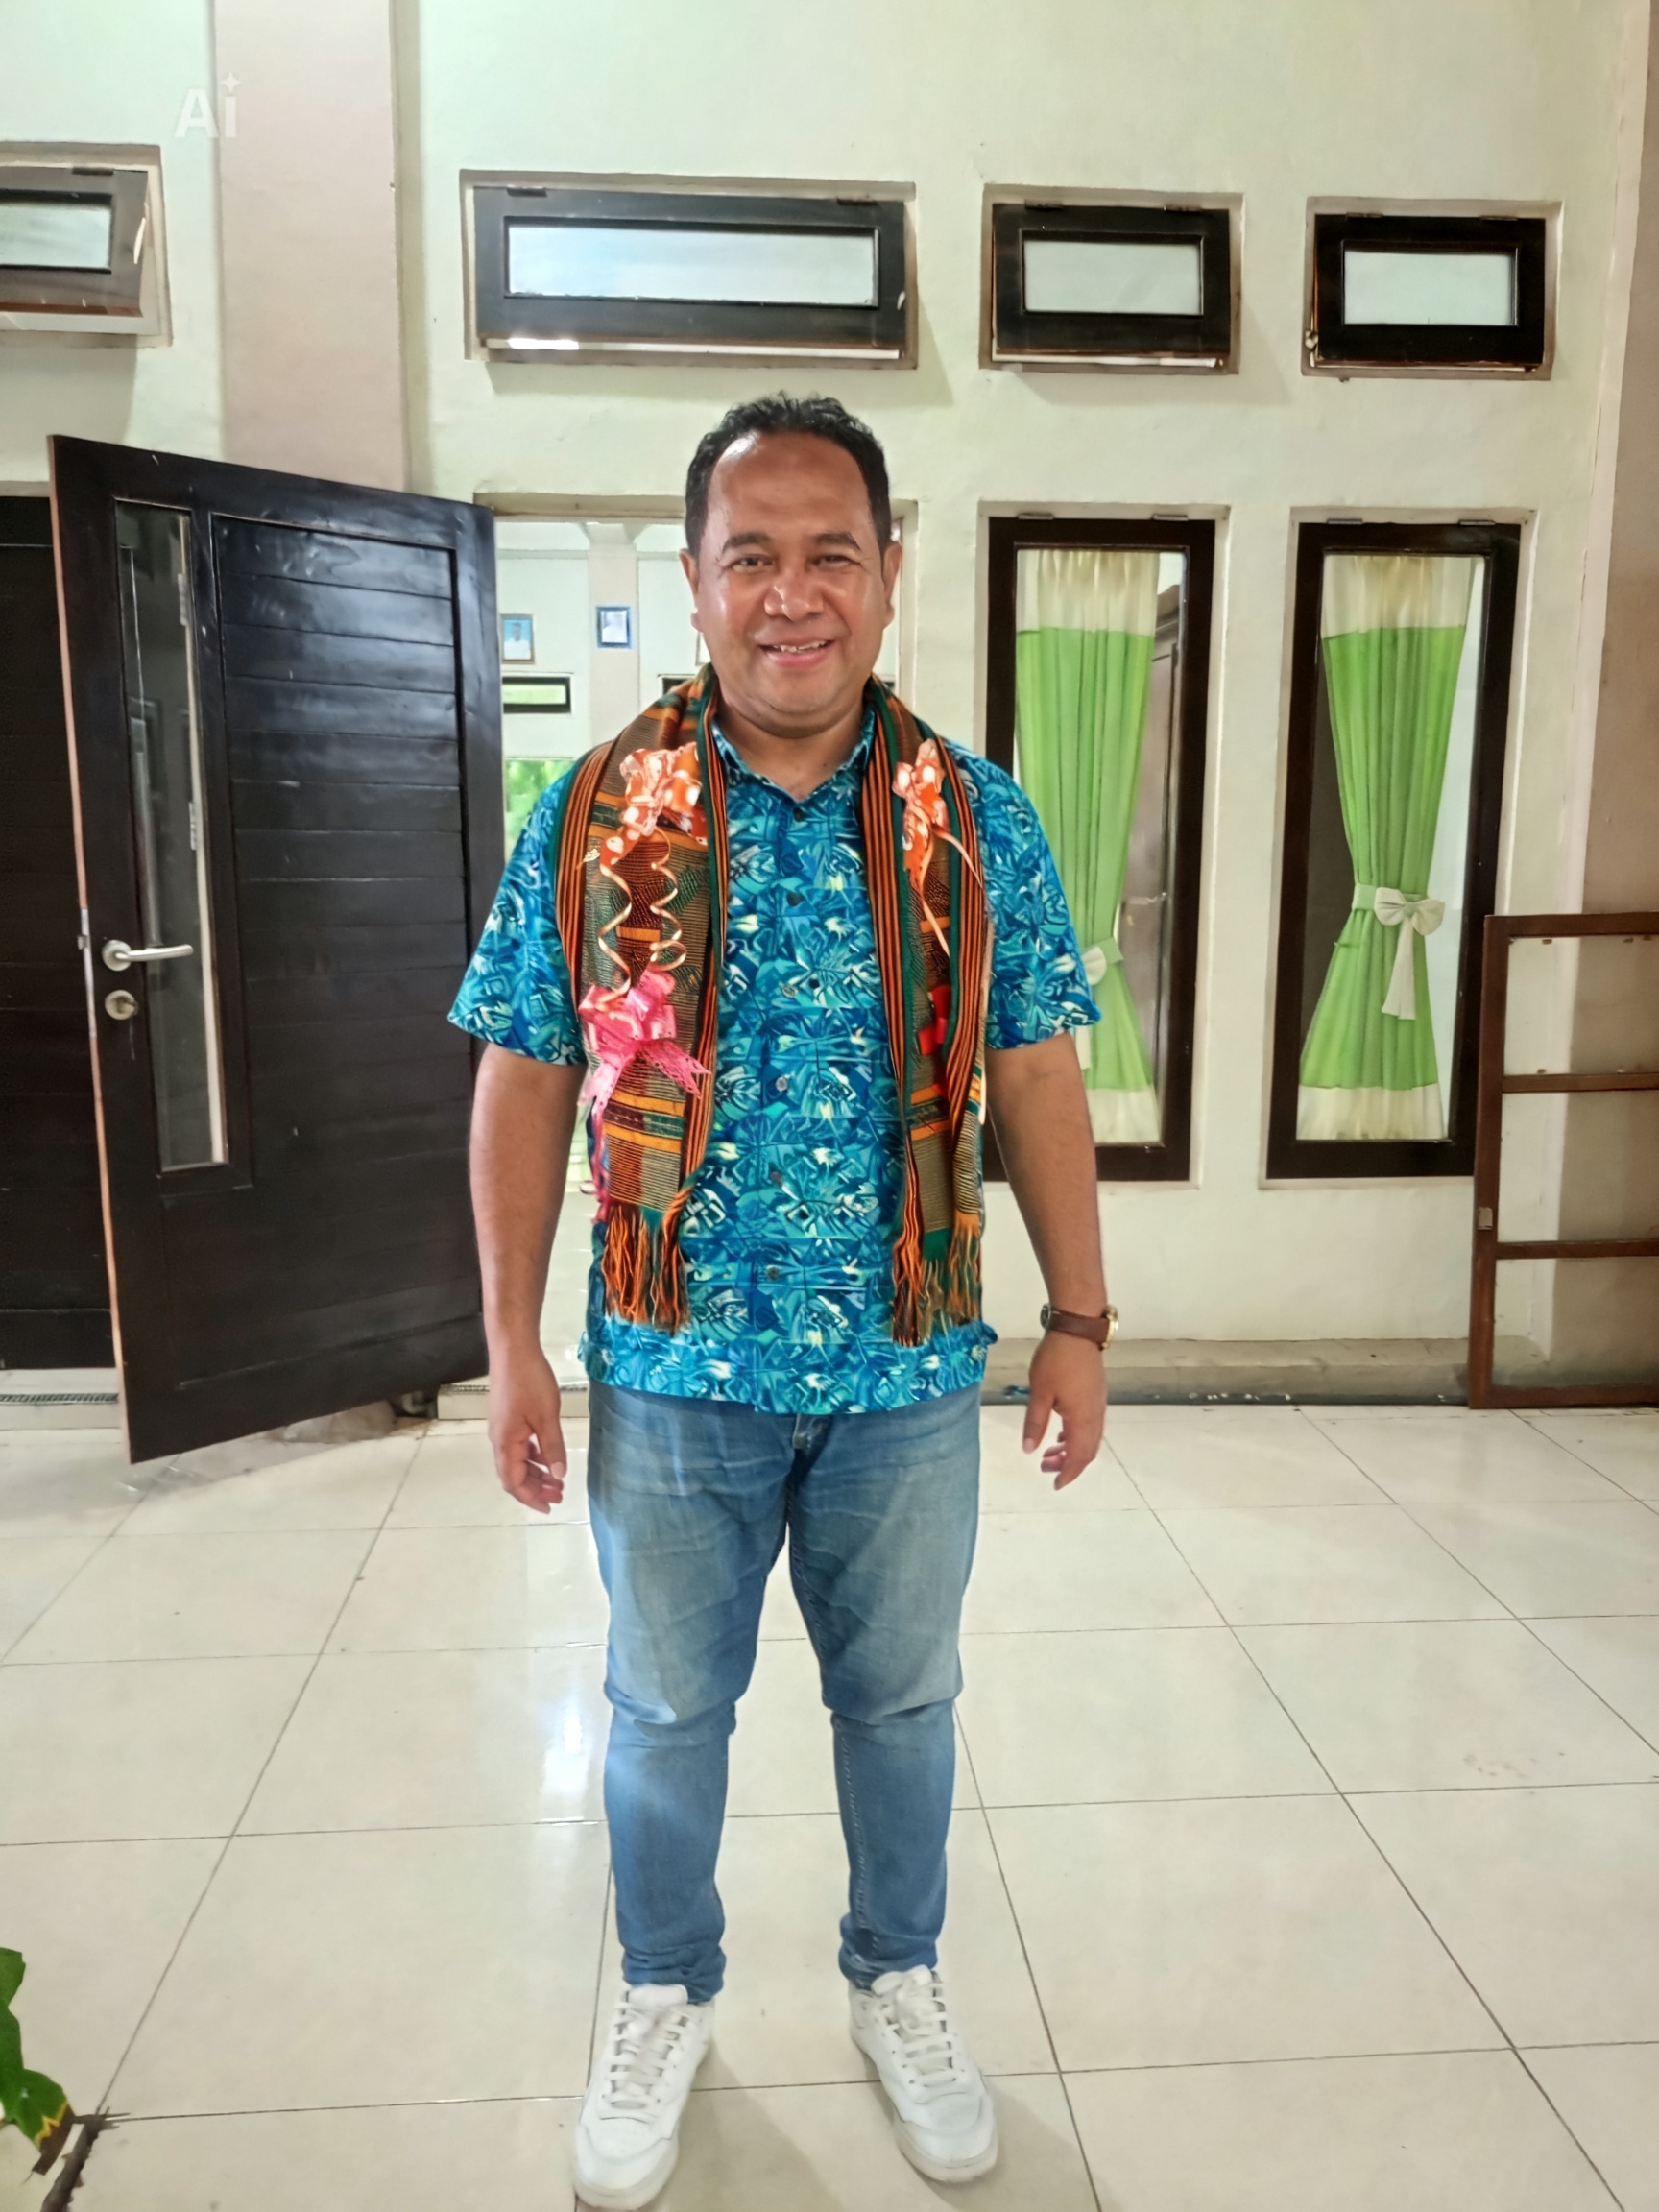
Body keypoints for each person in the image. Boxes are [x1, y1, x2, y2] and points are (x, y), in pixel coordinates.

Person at [452, 394, 1112, 2211]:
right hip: (672, 1370)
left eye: (833, 553)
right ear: (695, 580)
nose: (792, 593)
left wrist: (1079, 1320)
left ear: (890, 573)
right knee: (666, 1712)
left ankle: (899, 1976)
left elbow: (1038, 1074)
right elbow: (522, 1079)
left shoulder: (975, 817)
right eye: (753, 555)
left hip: (911, 1369)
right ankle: (663, 1991)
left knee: (901, 1706)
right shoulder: (597, 812)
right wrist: (510, 1344)